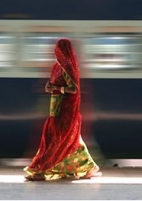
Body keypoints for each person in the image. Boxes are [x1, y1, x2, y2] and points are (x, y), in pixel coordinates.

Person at [24, 38, 101, 181]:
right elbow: (53, 84)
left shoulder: (68, 67)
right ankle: (87, 167)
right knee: (70, 140)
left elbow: (74, 89)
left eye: (58, 48)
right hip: (55, 108)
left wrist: (56, 88)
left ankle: (41, 170)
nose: (55, 51)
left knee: (55, 139)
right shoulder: (56, 66)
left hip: (66, 110)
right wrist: (49, 87)